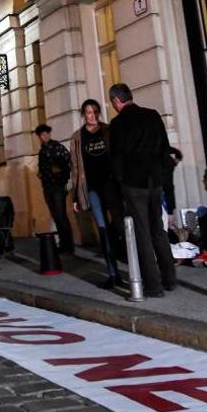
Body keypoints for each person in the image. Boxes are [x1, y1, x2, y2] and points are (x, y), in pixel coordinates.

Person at [106, 83, 176, 298]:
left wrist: (120, 183)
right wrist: (163, 178)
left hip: (133, 184)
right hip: (154, 181)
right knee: (158, 230)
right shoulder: (153, 115)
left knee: (142, 234)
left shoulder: (117, 124)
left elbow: (116, 157)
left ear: (116, 101)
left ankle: (153, 285)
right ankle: (169, 278)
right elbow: (165, 149)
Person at [69, 98, 122, 289]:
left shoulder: (108, 130)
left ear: (98, 113)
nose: (91, 116)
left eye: (94, 112)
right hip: (91, 187)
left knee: (119, 227)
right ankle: (113, 273)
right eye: (87, 113)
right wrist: (75, 195)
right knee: (103, 229)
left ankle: (128, 269)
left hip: (111, 185)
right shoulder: (77, 137)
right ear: (83, 115)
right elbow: (75, 167)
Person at [34, 124, 74, 255]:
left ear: (49, 134)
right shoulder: (42, 151)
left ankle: (68, 246)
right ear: (40, 137)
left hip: (57, 187)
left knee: (61, 216)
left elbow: (69, 161)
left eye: (46, 133)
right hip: (48, 187)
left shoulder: (57, 147)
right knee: (57, 217)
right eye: (42, 134)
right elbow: (44, 168)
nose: (45, 136)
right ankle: (64, 245)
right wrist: (42, 173)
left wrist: (61, 175)